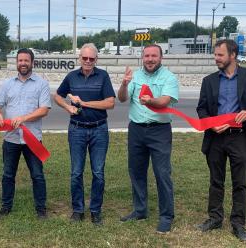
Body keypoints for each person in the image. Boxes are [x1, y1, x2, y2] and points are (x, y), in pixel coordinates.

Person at [195, 39, 246, 241]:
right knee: (216, 180)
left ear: (233, 55)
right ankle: (214, 218)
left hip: (240, 138)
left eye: (220, 55)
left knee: (240, 183)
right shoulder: (209, 80)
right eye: (215, 55)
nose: (216, 58)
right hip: (215, 137)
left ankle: (238, 224)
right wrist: (210, 124)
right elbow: (201, 109)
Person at [117, 44, 179, 234]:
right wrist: (124, 84)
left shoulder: (169, 77)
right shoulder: (135, 75)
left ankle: (166, 216)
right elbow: (121, 99)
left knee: (162, 173)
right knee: (136, 171)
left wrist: (150, 100)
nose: (150, 59)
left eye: (154, 56)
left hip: (159, 131)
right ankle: (140, 210)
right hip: (136, 130)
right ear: (142, 58)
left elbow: (164, 101)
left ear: (161, 58)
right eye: (147, 56)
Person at [54, 43, 115, 225]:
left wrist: (84, 103)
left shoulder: (103, 76)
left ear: (97, 59)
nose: (88, 61)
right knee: (76, 172)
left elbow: (110, 103)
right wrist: (67, 106)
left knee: (98, 172)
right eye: (85, 58)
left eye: (91, 58)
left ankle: (95, 211)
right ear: (79, 58)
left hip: (99, 129)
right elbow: (57, 95)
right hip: (77, 129)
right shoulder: (72, 76)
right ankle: (78, 210)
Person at [0, 48, 51, 221]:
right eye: (20, 60)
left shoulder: (41, 84)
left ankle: (41, 209)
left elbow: (44, 110)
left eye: (26, 60)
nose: (23, 63)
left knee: (37, 175)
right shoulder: (7, 84)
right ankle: (5, 207)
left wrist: (24, 118)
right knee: (8, 175)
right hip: (11, 139)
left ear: (32, 63)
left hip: (32, 138)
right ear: (16, 63)